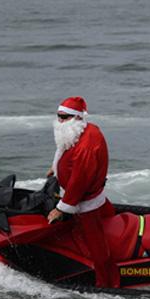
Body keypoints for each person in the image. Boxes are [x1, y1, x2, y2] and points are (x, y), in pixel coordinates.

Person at [48, 96, 115, 225]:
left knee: (91, 241)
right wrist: (55, 167)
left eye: (65, 117)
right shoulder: (79, 130)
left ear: (77, 117)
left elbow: (80, 179)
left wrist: (60, 209)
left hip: (86, 205)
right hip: (83, 197)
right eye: (59, 116)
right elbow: (64, 147)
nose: (60, 121)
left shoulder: (86, 145)